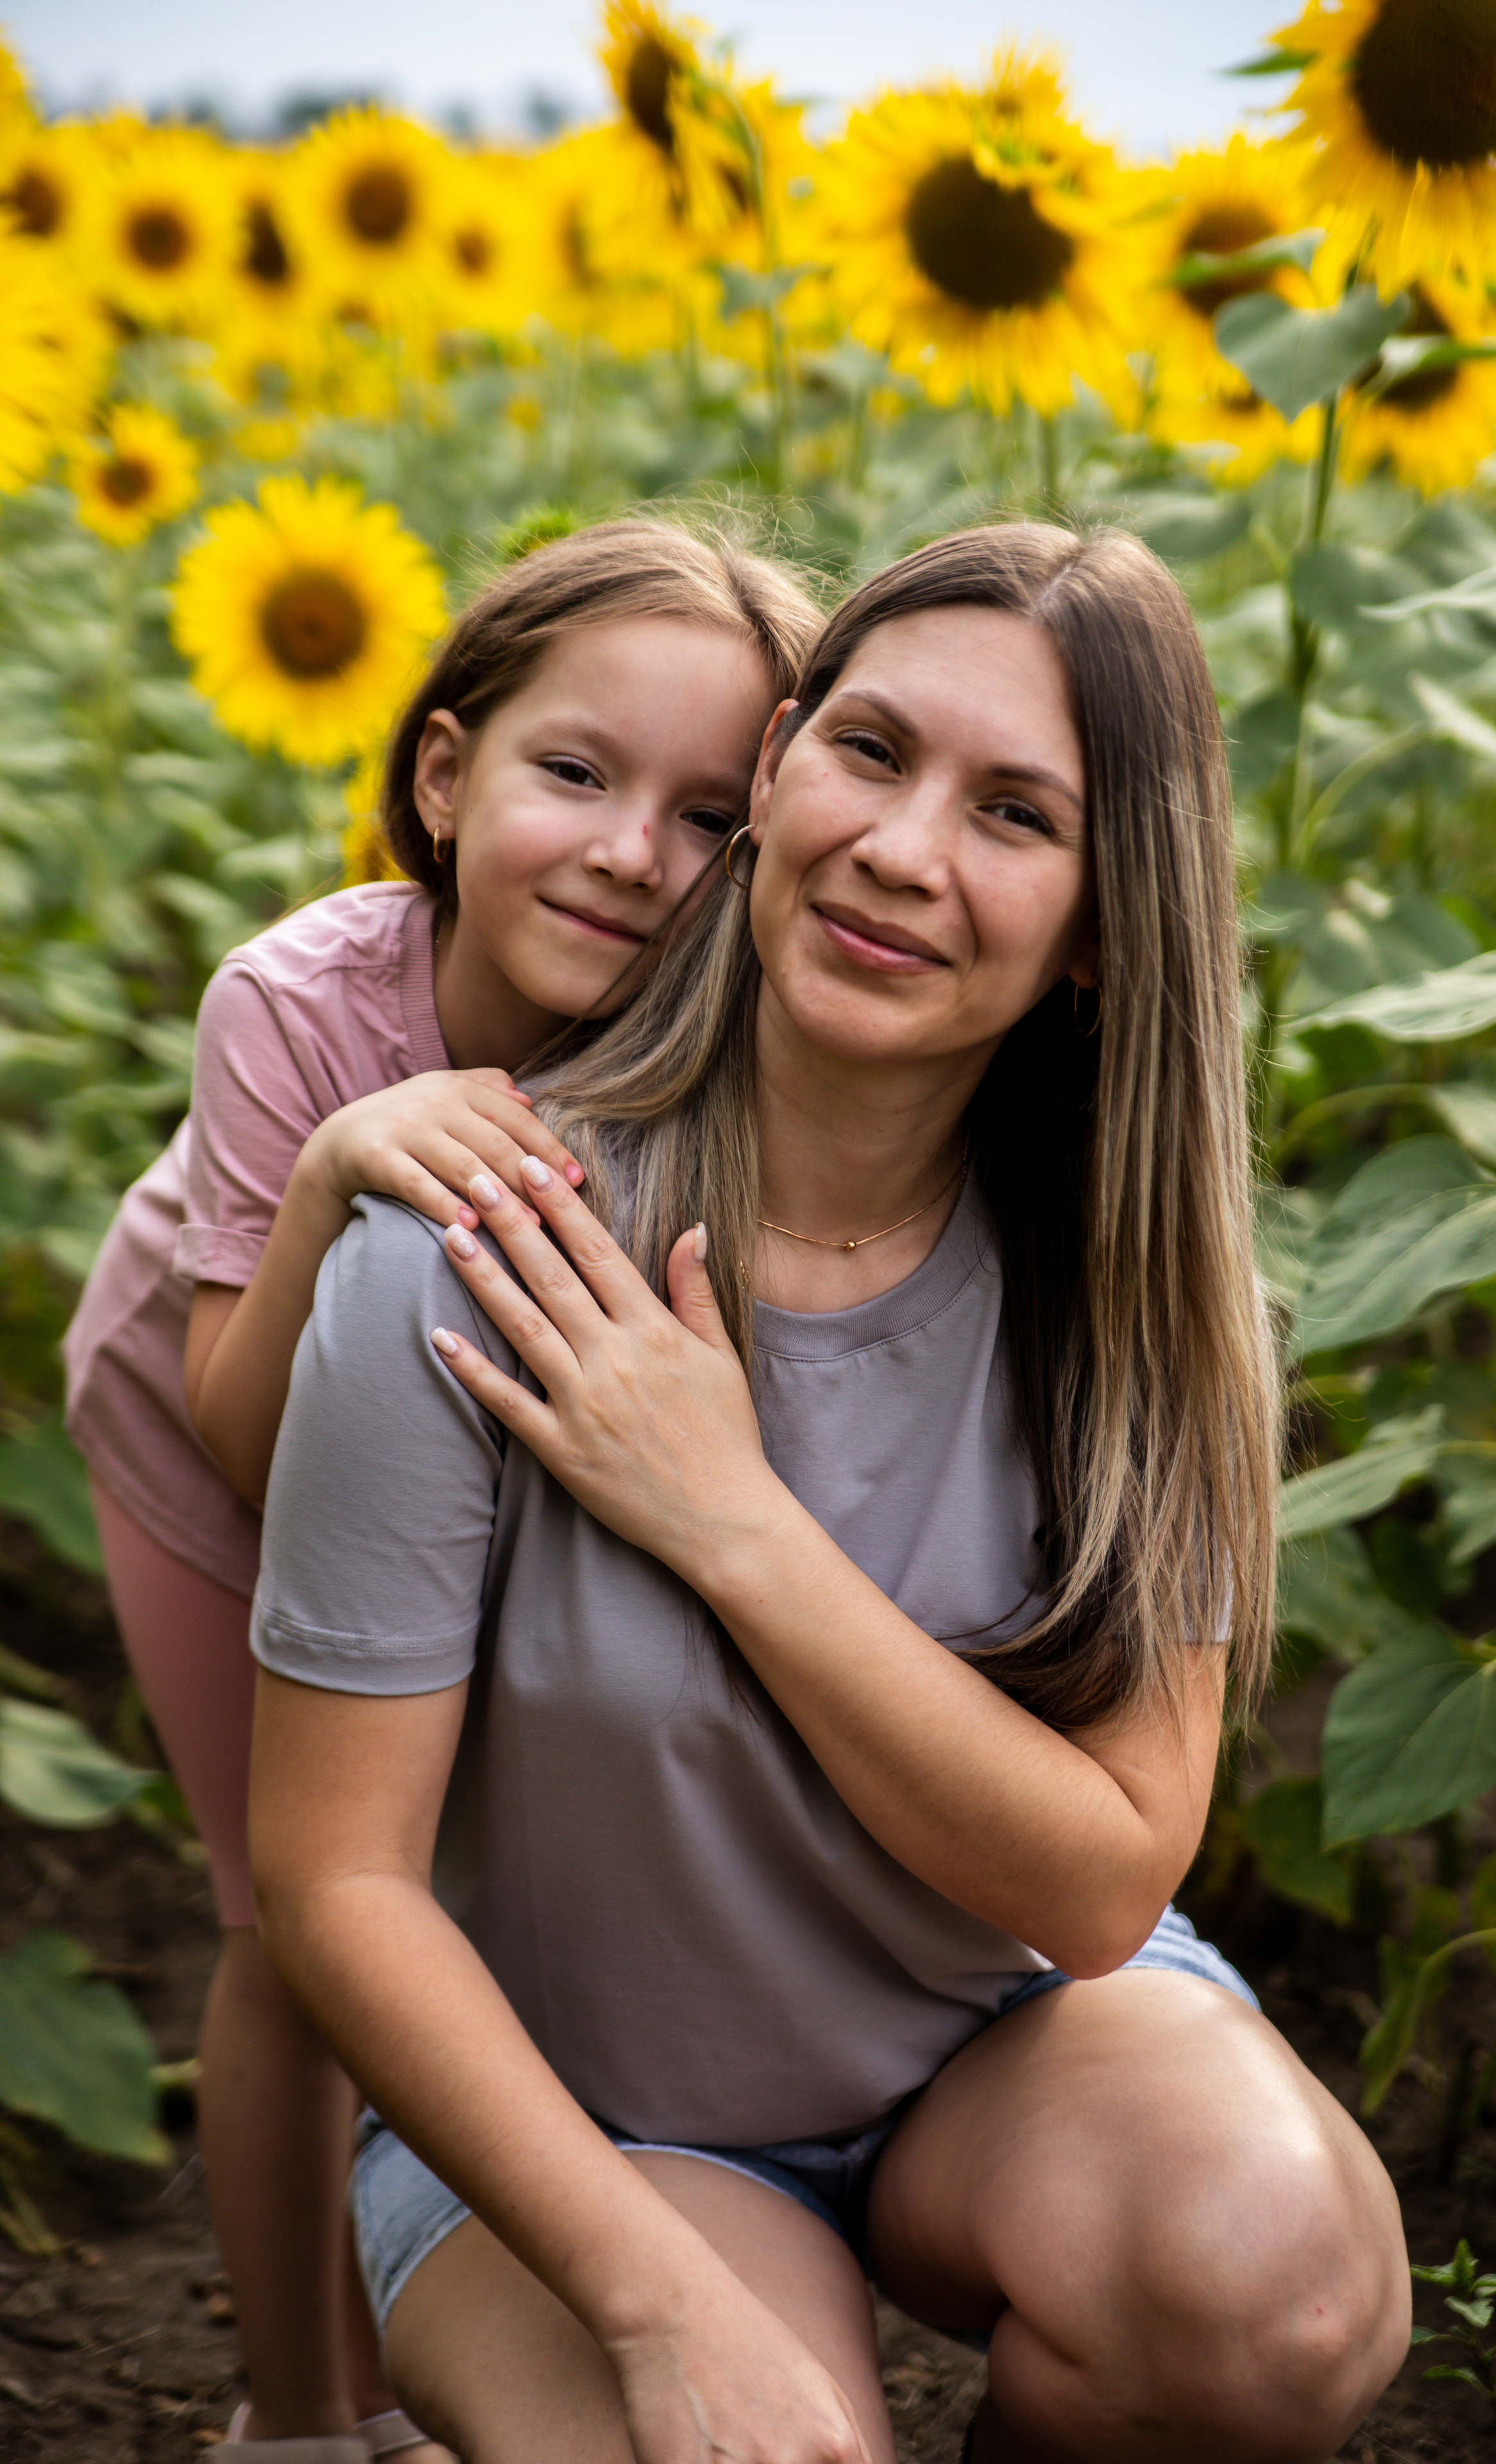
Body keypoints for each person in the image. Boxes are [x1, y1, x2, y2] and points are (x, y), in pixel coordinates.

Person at [248, 522, 1411, 2464]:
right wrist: (659, 2310)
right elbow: (334, 1882)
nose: (901, 850)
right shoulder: (477, 1246)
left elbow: (1106, 1877)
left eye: (1016, 814)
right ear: (777, 762)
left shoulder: (1146, 1303)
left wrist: (734, 1523)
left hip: (1007, 2041)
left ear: (1108, 920)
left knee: (1267, 2286)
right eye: (872, 753)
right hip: (592, 2115)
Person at [62, 518, 822, 2464]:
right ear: (445, 770)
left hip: (467, 1461)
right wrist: (338, 1169)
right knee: (290, 1921)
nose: (633, 854)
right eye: (576, 773)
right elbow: (246, 1430)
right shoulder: (303, 1003)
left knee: (430, 1899)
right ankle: (305, 2415)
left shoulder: (716, 1038)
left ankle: (425, 2324)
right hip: (198, 1446)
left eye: (710, 817)